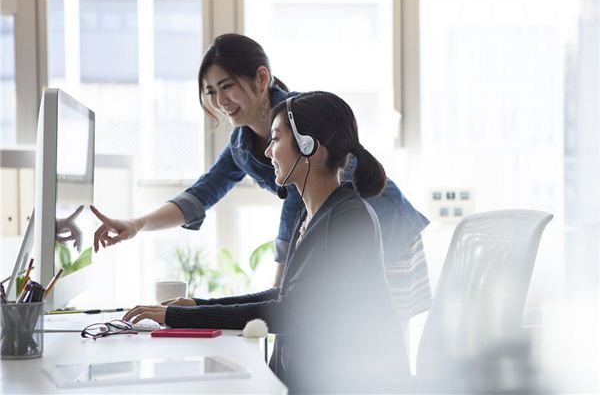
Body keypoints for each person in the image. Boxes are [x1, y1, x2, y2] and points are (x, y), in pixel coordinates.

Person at [91, 33, 431, 321]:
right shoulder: (242, 144)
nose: (220, 100)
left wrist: (279, 292)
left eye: (228, 86)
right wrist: (136, 224)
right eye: (211, 92)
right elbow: (201, 193)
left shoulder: (301, 122)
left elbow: (297, 209)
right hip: (332, 241)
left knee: (370, 338)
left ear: (261, 79)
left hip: (385, 232)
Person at [124, 91, 410, 392]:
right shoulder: (313, 214)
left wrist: (179, 316)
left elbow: (292, 310)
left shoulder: (348, 219)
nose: (267, 153)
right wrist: (197, 305)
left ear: (310, 147)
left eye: (276, 139)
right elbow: (285, 293)